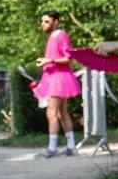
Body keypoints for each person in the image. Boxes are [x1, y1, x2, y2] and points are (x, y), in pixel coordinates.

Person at [32, 10, 81, 157]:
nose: (43, 24)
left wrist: (49, 60)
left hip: (58, 79)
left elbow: (69, 58)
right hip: (55, 78)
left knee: (51, 112)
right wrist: (46, 61)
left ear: (56, 22)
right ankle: (71, 147)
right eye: (42, 21)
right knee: (61, 113)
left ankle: (52, 149)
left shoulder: (60, 35)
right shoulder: (53, 36)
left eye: (47, 21)